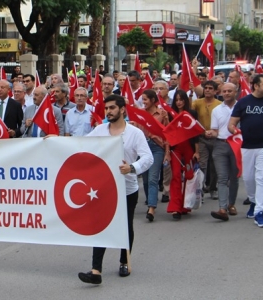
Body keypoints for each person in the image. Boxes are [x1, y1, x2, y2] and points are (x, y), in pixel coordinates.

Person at [75, 94, 153, 284]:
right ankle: (96, 270)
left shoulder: (135, 133)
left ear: (122, 109)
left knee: (125, 226)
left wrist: (132, 168)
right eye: (106, 108)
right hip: (102, 188)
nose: (108, 112)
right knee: (100, 226)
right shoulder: (100, 130)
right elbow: (80, 146)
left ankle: (124, 261)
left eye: (112, 108)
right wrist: (55, 140)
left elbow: (148, 158)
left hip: (127, 189)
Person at [229, 74, 263, 228]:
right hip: (247, 146)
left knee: (262, 177)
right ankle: (253, 201)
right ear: (256, 86)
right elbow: (231, 123)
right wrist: (233, 130)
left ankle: (260, 212)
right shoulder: (243, 102)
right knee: (248, 178)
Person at [135, 89, 169, 221]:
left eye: (145, 99)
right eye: (142, 99)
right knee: (145, 178)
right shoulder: (140, 114)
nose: (143, 102)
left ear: (153, 100)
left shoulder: (162, 114)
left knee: (153, 178)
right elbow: (136, 131)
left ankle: (151, 208)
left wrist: (167, 152)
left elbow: (166, 133)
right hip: (142, 148)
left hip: (156, 147)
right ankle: (151, 199)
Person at [207, 83, 239, 221]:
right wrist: (210, 133)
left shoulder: (241, 107)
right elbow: (215, 130)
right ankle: (222, 208)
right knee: (222, 177)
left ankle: (231, 204)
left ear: (235, 92)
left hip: (237, 145)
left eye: (229, 91)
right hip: (220, 145)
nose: (226, 93)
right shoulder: (217, 110)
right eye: (224, 91)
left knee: (234, 177)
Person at [166, 90, 200, 220]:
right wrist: (168, 152)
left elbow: (195, 133)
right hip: (176, 149)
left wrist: (197, 151)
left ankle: (186, 205)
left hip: (189, 148)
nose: (179, 102)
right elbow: (168, 134)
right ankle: (175, 207)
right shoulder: (170, 114)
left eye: (181, 99)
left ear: (185, 100)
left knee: (189, 176)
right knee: (175, 175)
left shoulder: (191, 113)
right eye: (177, 100)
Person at [192, 80, 221, 199]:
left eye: (210, 88)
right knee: (202, 164)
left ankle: (213, 188)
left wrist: (214, 132)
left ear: (215, 91)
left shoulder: (219, 104)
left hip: (216, 137)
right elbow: (189, 112)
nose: (208, 90)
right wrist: (190, 93)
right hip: (202, 137)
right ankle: (201, 187)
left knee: (214, 165)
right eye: (206, 88)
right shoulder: (197, 103)